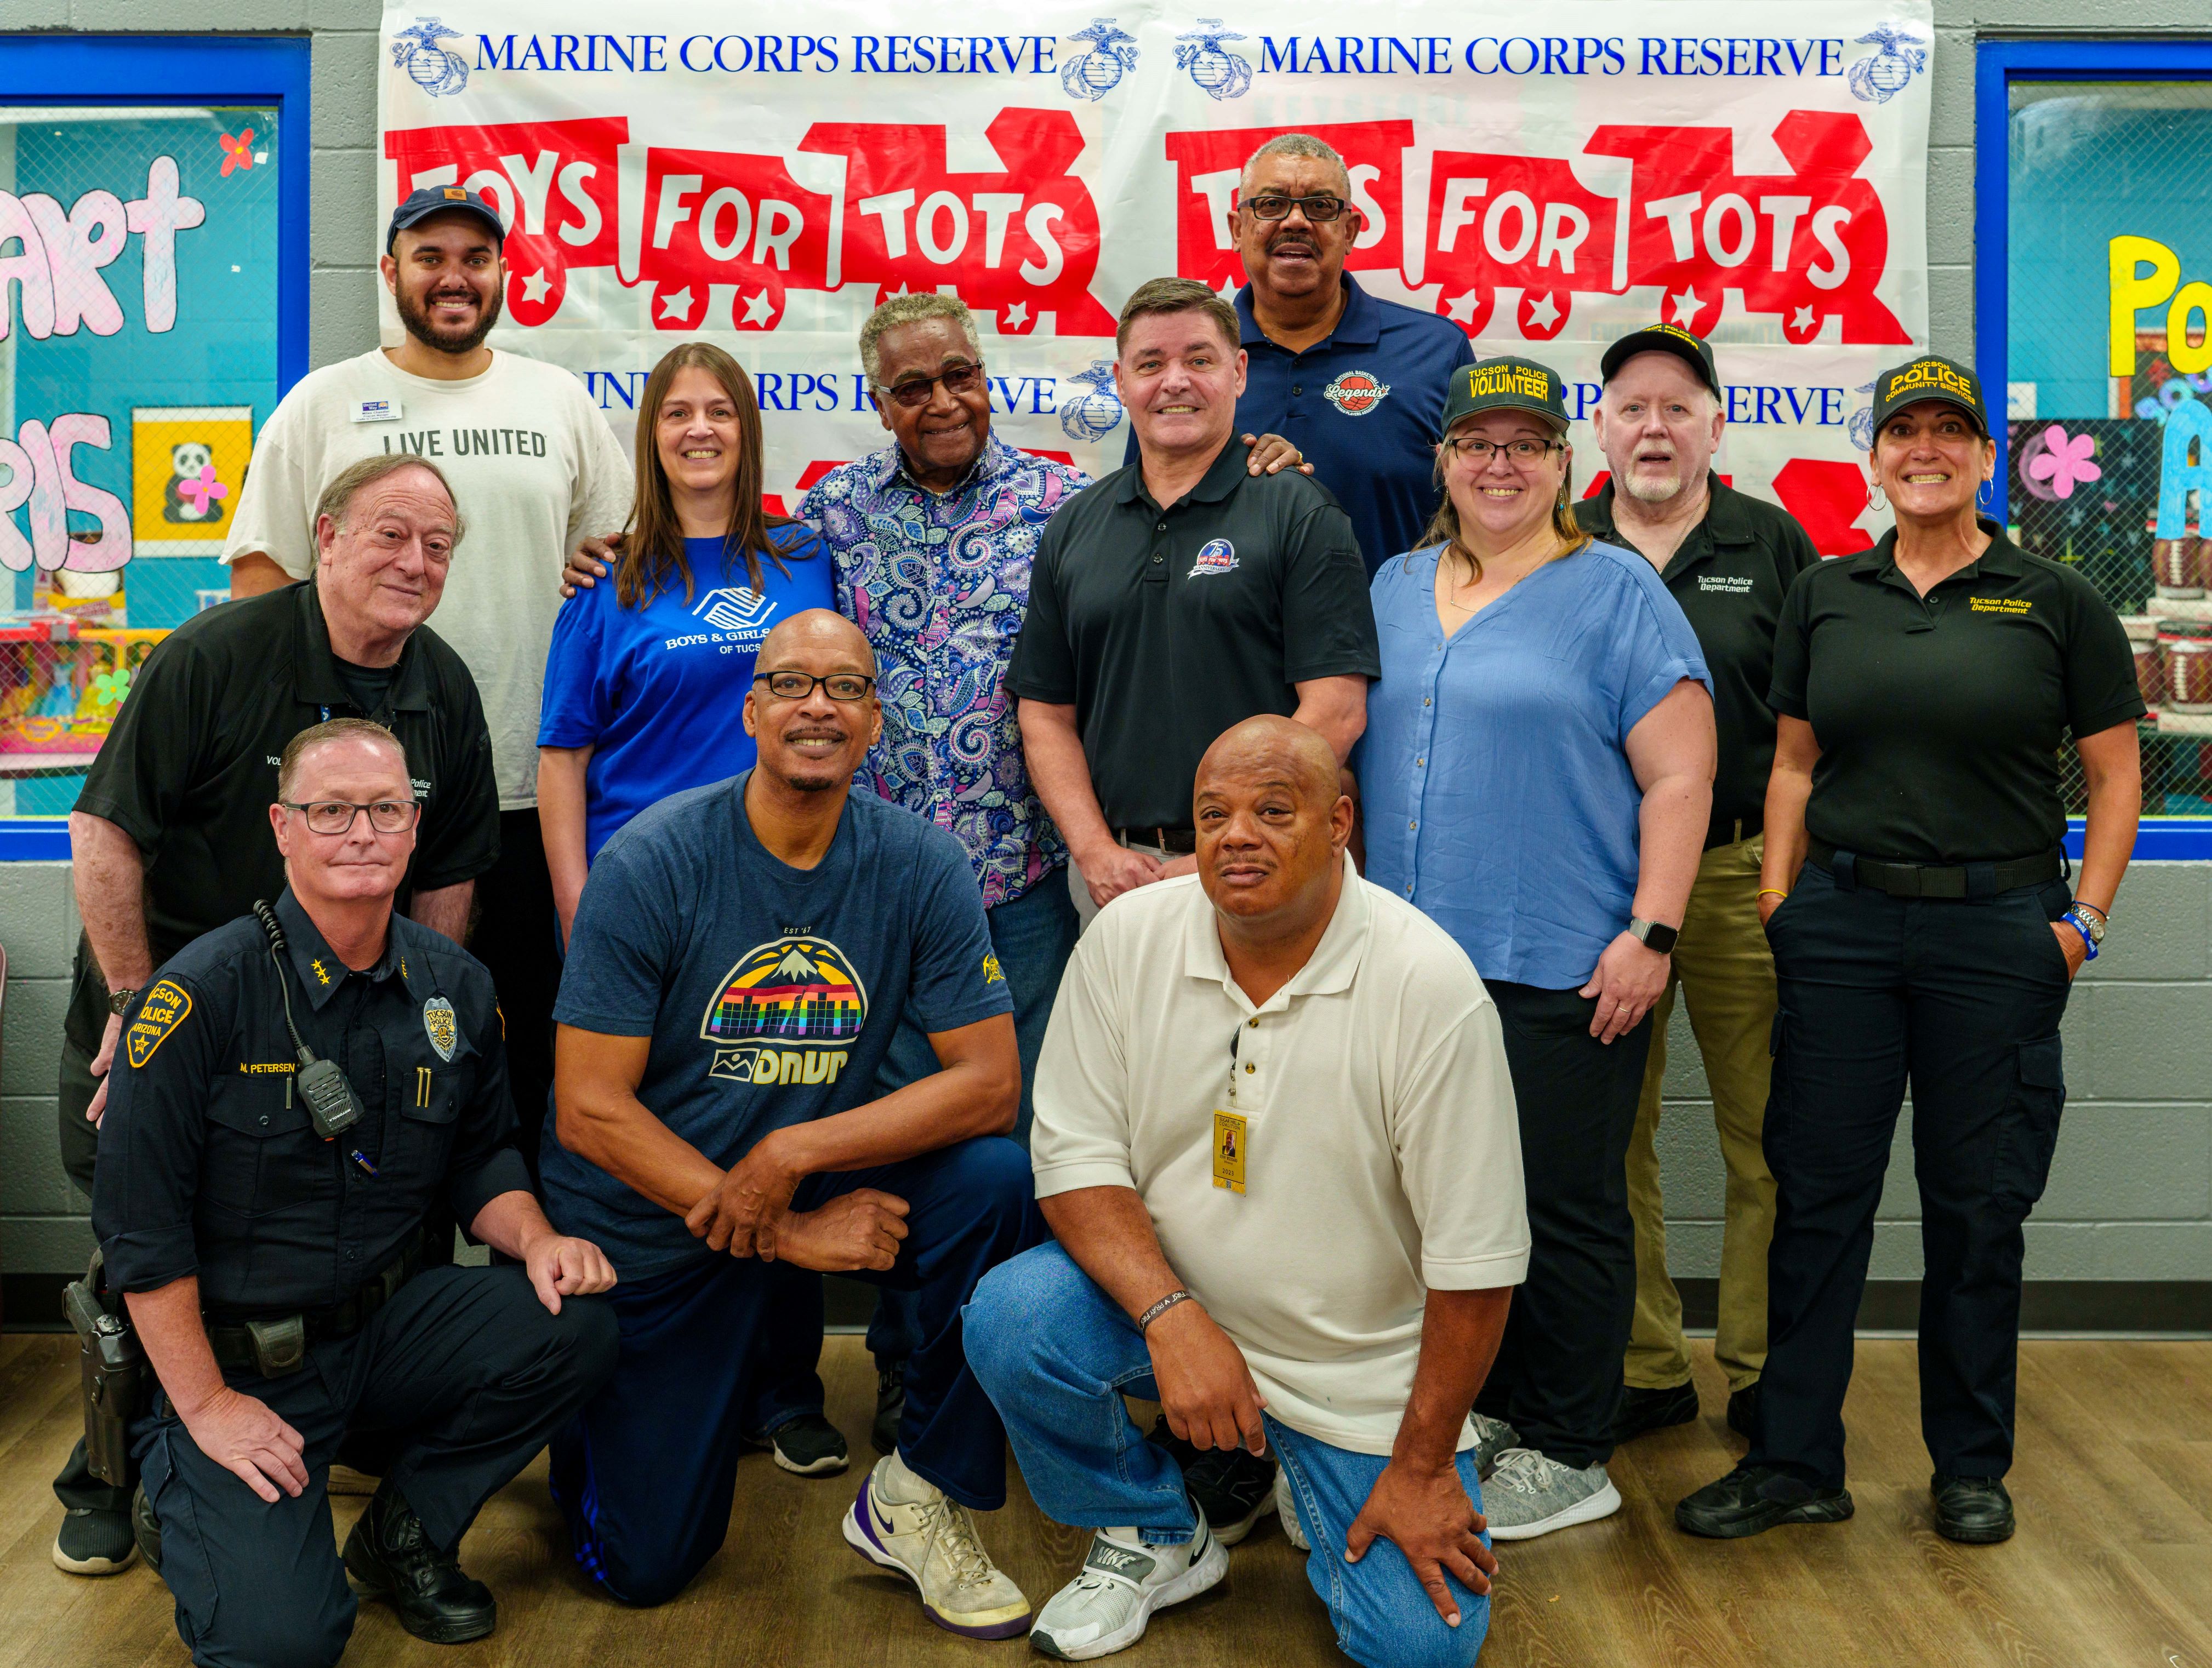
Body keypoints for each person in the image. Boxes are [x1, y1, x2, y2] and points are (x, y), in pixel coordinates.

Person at [558, 298, 1308, 1460]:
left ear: (987, 375)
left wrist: (1258, 460)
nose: (942, 399)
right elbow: (722, 566)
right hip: (854, 902)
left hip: (1007, 886)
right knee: (820, 1116)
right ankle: (805, 1384)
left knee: (998, 1147)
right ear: (877, 400)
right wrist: (605, 548)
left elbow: (1158, 530)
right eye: (912, 386)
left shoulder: (1064, 502)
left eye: (959, 374)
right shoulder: (826, 521)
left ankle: (958, 1379)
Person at [1675, 357, 2143, 1546]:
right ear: (1873, 457)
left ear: (1983, 457)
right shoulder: (1828, 591)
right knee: (1815, 1200)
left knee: (1976, 1208)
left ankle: (1968, 1464)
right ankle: (1792, 1459)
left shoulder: (2052, 598)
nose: (1923, 450)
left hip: (1997, 930)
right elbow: (1790, 762)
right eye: (1903, 433)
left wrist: (2080, 922)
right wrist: (1779, 897)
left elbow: (2110, 770)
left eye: (1948, 431)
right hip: (1837, 924)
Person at [965, 716, 1528, 1666]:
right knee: (1014, 1314)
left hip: (1356, 1373)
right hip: (1177, 1316)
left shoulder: (1428, 985)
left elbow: (1478, 1265)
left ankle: (1317, 1481)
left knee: (1419, 1647)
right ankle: (1153, 1529)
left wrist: (1423, 1466)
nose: (1236, 835)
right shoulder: (1126, 939)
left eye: (1274, 810)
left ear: (1339, 819)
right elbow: (1075, 1163)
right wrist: (1172, 1314)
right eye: (1212, 813)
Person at [541, 609, 1046, 1630]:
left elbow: (989, 1081)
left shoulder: (921, 862)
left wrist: (794, 1153)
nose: (817, 704)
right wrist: (785, 1231)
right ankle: (600, 1407)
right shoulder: (655, 857)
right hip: (654, 1211)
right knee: (645, 1565)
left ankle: (921, 1488)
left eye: (846, 687)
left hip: (798, 1171)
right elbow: (590, 1109)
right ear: (750, 710)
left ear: (873, 725)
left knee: (997, 1183)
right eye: (790, 683)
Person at [51, 453, 501, 1576]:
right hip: (173, 1009)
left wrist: (424, 1019)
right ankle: (106, 1470)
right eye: (391, 533)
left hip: (343, 1023)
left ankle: (294, 1458)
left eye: (437, 545)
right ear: (327, 535)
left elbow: (446, 874)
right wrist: (130, 998)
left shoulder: (442, 686)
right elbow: (106, 830)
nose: (414, 561)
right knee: (151, 1250)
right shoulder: (217, 653)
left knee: (326, 1248)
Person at [92, 718, 619, 1666]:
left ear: (415, 825)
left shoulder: (452, 983)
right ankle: (178, 1485)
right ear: (283, 826)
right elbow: (143, 1235)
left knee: (572, 1321)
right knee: (286, 1642)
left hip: (381, 1332)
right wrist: (209, 1402)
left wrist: (537, 1236)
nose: (362, 831)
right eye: (330, 810)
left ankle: (404, 1534)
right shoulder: (200, 996)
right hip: (235, 1360)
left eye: (384, 808)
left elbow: (480, 1156)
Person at [1359, 356, 1715, 1540]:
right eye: (1476, 443)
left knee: (1561, 1205)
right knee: (1447, 1207)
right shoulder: (1395, 586)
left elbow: (1680, 774)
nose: (1499, 464)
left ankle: (1572, 1441)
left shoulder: (1612, 589)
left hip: (1565, 960)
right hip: (1413, 963)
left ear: (1566, 463)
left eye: (1525, 443)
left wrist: (1649, 935)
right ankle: (1496, 1408)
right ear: (1443, 461)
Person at [224, 184, 633, 1177]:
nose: (454, 275)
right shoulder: (324, 401)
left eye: (476, 257)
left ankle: (522, 1282)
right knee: (367, 1046)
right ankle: (384, 1278)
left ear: (504, 275)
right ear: (391, 273)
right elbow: (259, 579)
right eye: (430, 255)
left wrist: (595, 563)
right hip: (366, 809)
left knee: (529, 1052)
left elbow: (621, 561)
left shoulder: (560, 402)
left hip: (535, 798)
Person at [537, 341, 843, 1478]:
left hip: (784, 902)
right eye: (679, 414)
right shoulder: (608, 580)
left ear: (747, 430)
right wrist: (576, 903)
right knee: (653, 1137)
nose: (700, 430)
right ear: (651, 434)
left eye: (720, 412)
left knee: (778, 1134)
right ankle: (665, 1370)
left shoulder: (806, 561)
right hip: (642, 908)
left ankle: (785, 1386)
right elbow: (562, 755)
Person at [1574, 325, 1822, 1445]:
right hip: (1597, 884)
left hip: (1731, 877)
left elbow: (1813, 733)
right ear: (1601, 426)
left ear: (1715, 426)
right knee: (1606, 1134)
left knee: (1763, 1130)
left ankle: (1764, 1365)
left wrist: (1783, 877)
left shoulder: (1771, 545)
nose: (1654, 427)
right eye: (1632, 407)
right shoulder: (1554, 540)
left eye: (1678, 406)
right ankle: (1642, 1362)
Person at [1013, 276, 1378, 934]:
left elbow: (1336, 710)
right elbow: (1044, 712)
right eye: (1150, 364)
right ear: (1120, 381)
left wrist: (1218, 851)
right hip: (1110, 881)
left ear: (1238, 372)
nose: (1174, 381)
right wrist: (1095, 850)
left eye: (1199, 360)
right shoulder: (1073, 526)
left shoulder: (1299, 512)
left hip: (1262, 870)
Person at [1128, 134, 1476, 573]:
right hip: (1215, 638)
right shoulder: (1183, 364)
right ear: (1237, 230)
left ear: (1349, 231)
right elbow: (1143, 522)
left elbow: (1479, 516)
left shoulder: (1436, 351)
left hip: (1394, 637)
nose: (1295, 222)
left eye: (1320, 206)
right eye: (1271, 205)